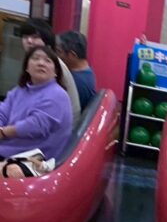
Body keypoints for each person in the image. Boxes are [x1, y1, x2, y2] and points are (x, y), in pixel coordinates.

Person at [0, 45, 73, 176]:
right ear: (27, 67)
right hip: (7, 150)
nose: (41, 63)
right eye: (35, 58)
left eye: (47, 60)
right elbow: (2, 112)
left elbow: (35, 126)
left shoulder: (58, 95)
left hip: (32, 160)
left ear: (56, 71)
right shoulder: (19, 90)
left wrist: (3, 132)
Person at [19, 18, 80, 118]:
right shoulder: (39, 61)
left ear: (47, 41)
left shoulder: (49, 66)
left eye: (35, 37)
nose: (29, 41)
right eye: (25, 37)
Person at [56, 30, 97, 109]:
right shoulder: (87, 71)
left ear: (72, 55)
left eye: (58, 51)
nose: (55, 55)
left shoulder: (76, 83)